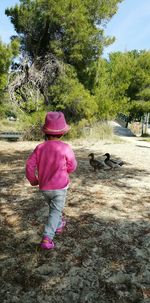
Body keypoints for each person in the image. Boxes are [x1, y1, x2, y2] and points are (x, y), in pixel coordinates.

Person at [26, 111, 77, 250]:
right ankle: (47, 238)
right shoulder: (65, 147)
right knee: (55, 210)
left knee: (54, 208)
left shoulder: (40, 147)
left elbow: (29, 165)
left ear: (46, 132)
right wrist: (67, 171)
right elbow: (73, 165)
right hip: (60, 187)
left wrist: (33, 180)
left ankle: (59, 224)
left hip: (44, 187)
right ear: (62, 133)